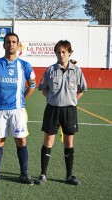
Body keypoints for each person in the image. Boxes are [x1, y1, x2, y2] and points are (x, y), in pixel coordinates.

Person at [0, 32, 36, 185]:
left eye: (14, 42)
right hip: (0, 110)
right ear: (4, 45)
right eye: (8, 42)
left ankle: (24, 174)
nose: (11, 44)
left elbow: (32, 85)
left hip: (17, 111)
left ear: (18, 45)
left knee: (21, 140)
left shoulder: (25, 65)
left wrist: (21, 100)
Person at [36, 40, 87, 185]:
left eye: (64, 51)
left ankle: (69, 175)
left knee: (69, 142)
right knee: (48, 141)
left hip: (69, 111)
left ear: (69, 53)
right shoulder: (50, 70)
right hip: (52, 109)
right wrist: (53, 98)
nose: (61, 54)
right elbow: (43, 89)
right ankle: (43, 174)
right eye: (58, 52)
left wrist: (71, 100)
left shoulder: (77, 71)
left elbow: (81, 90)